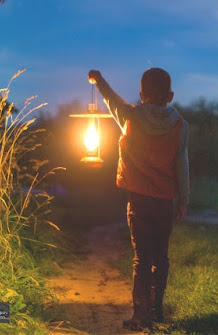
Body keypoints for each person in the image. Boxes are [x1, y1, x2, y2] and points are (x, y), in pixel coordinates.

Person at [87, 68, 190, 331]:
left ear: (142, 94)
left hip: (140, 201)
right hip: (165, 202)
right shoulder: (180, 126)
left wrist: (98, 80)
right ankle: (157, 312)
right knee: (161, 257)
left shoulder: (131, 116)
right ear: (170, 96)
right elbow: (182, 166)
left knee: (141, 258)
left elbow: (111, 99)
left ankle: (140, 315)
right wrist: (183, 201)